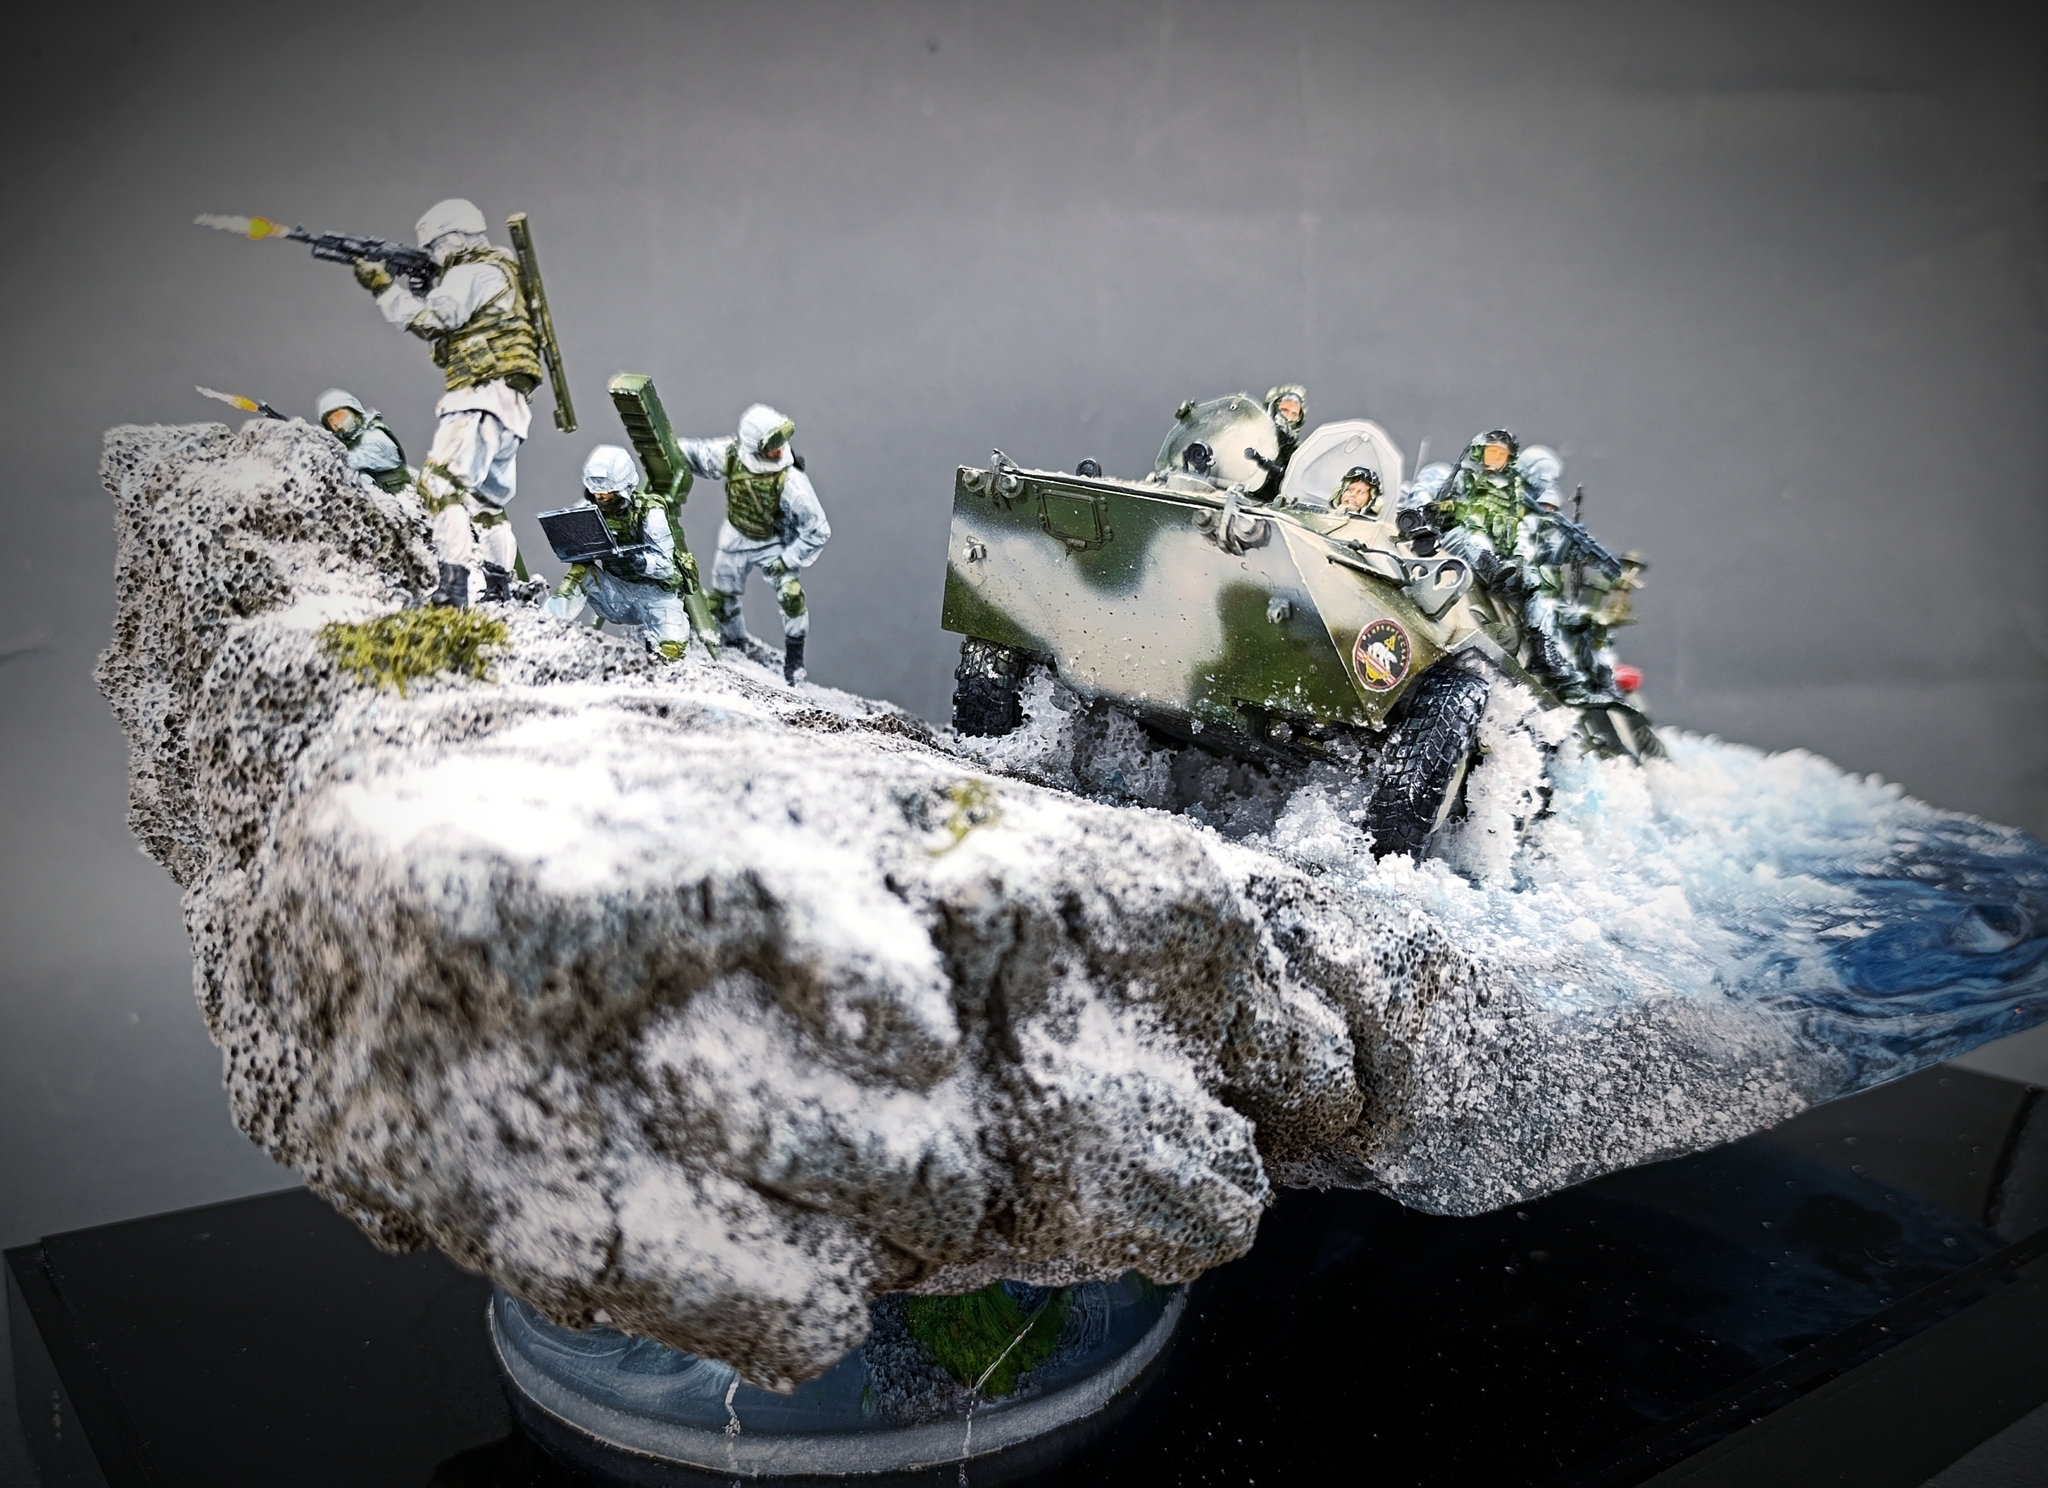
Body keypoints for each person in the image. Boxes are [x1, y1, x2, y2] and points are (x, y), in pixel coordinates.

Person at [352, 198, 538, 607]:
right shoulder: (499, 270)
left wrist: (383, 287)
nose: (434, 255)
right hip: (509, 403)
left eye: (436, 246)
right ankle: (499, 587)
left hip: (479, 396)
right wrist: (426, 288)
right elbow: (451, 338)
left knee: (439, 484)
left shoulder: (470, 272)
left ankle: (453, 589)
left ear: (456, 237)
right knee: (487, 503)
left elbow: (431, 322)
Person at [677, 404, 830, 684]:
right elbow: (692, 454)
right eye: (772, 444)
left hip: (774, 544)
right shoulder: (732, 455)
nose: (779, 449)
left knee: (791, 596)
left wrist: (787, 559)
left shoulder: (791, 482)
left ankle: (794, 664)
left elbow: (818, 530)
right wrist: (662, 449)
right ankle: (735, 647)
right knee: (722, 602)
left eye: (781, 441)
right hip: (735, 539)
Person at [543, 445, 693, 660]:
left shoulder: (649, 512)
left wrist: (641, 561)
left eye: (607, 494)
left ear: (623, 488)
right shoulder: (588, 508)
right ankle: (546, 623)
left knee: (672, 651)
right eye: (597, 494)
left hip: (656, 597)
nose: (601, 498)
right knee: (581, 572)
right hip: (617, 593)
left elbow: (666, 566)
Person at [314, 388, 411, 495]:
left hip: (399, 494)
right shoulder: (347, 442)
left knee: (360, 478)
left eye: (340, 416)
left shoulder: (373, 432)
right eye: (331, 420)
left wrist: (334, 462)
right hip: (376, 494)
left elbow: (374, 453)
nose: (337, 423)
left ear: (354, 411)